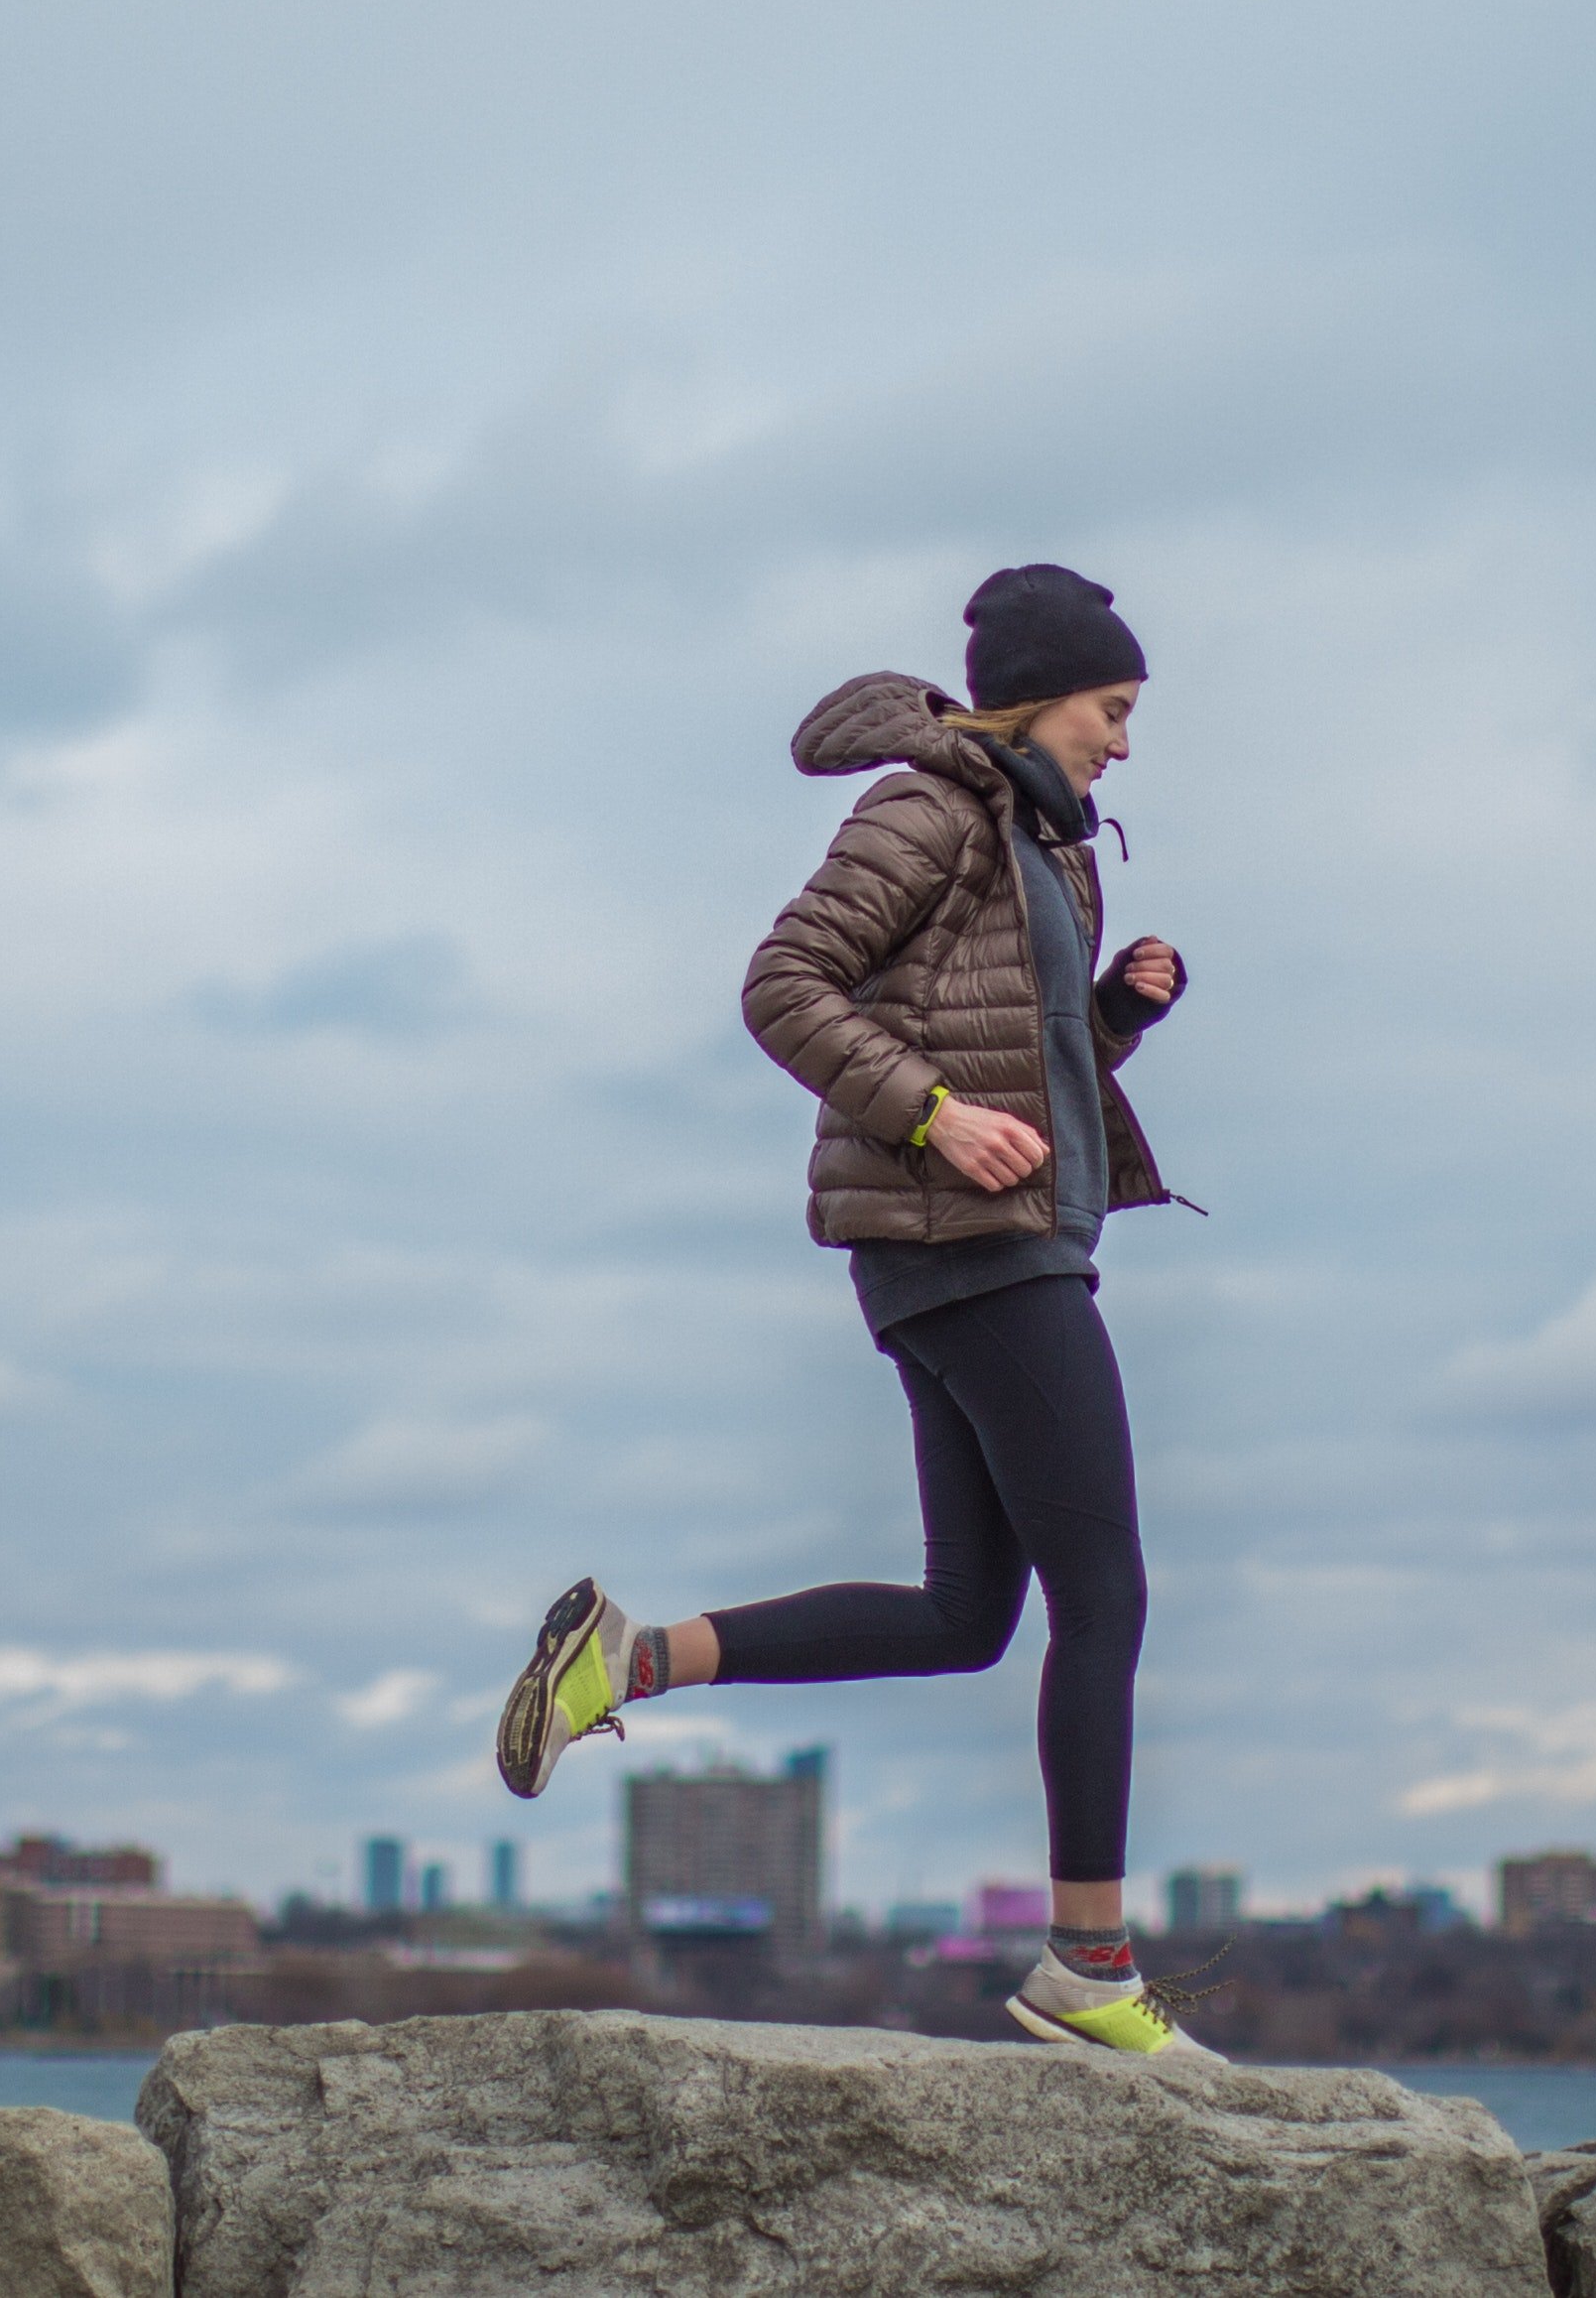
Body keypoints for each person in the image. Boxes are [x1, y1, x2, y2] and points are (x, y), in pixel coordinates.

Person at [496, 563, 1218, 2071]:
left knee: (970, 1616)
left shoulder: (1040, 839)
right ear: (1042, 697)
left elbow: (1008, 1057)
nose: (1127, 744)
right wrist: (939, 1116)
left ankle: (624, 1660)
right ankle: (1088, 1963)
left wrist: (1113, 1021)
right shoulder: (929, 806)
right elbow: (784, 983)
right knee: (1108, 1595)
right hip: (976, 1247)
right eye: (1114, 709)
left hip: (975, 1243)